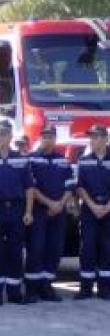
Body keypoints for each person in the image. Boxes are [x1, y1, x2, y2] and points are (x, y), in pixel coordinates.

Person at [0, 119, 34, 306]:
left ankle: (13, 291)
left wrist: (28, 211)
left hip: (17, 210)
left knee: (15, 250)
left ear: (11, 136)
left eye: (4, 134)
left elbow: (29, 188)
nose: (1, 137)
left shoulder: (22, 159)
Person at [26, 126, 74, 302]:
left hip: (58, 212)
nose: (48, 140)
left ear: (55, 139)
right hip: (39, 211)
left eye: (51, 137)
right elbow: (31, 187)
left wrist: (60, 204)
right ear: (40, 138)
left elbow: (70, 185)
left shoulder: (63, 160)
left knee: (55, 248)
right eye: (45, 136)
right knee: (36, 248)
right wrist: (50, 203)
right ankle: (32, 288)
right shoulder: (31, 159)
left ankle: (46, 285)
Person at [74, 124, 110, 300]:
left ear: (105, 139)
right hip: (90, 210)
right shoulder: (84, 160)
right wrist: (93, 206)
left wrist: (108, 206)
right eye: (91, 137)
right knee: (87, 248)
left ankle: (105, 289)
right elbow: (79, 187)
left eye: (96, 137)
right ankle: (85, 288)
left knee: (107, 247)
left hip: (108, 210)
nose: (93, 140)